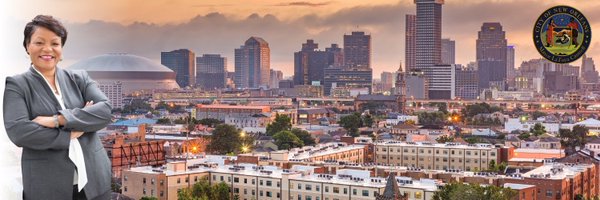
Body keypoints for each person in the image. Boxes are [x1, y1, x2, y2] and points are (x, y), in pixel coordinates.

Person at [3, 15, 113, 200]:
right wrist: (73, 131)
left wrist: (58, 120)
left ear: (61, 49)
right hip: (47, 185)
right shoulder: (17, 85)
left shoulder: (79, 78)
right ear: (27, 46)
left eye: (55, 43)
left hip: (95, 180)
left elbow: (105, 111)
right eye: (39, 42)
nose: (47, 49)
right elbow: (19, 131)